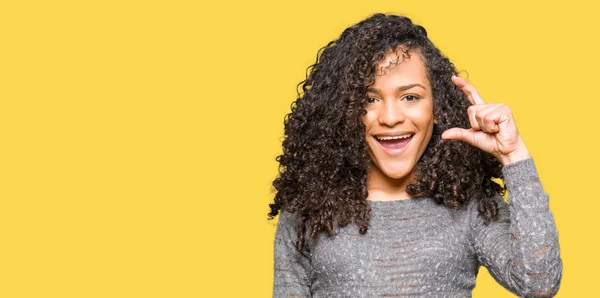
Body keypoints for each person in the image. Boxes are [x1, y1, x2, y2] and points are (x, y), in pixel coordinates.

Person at [268, 13, 562, 297]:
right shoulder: (308, 210)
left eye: (410, 97)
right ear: (344, 111)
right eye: (370, 99)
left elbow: (539, 282)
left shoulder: (469, 205)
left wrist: (513, 156)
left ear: (437, 108)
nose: (391, 117)